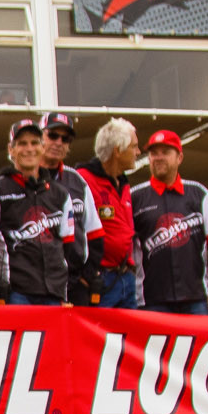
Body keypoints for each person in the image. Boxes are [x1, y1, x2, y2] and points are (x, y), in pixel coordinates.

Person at [0, 118, 73, 307]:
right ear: (11, 150)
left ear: (42, 147)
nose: (29, 149)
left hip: (54, 293)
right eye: (22, 144)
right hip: (16, 294)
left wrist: (64, 290)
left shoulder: (60, 194)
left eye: (35, 143)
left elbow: (68, 248)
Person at [129, 128, 208, 315]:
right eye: (153, 153)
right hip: (151, 300)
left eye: (165, 152)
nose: (158, 157)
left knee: (202, 344)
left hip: (197, 297)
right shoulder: (135, 197)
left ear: (179, 158)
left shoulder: (199, 193)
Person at [38, 110, 104, 302]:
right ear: (39, 137)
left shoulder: (77, 181)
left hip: (75, 283)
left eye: (65, 139)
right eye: (52, 135)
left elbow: (96, 235)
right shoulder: (26, 178)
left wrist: (86, 277)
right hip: (37, 285)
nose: (58, 142)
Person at [74, 118, 140, 308]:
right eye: (134, 147)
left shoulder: (123, 183)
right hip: (100, 279)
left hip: (125, 276)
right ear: (118, 151)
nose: (138, 152)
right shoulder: (83, 180)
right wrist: (85, 274)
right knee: (98, 334)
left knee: (129, 335)